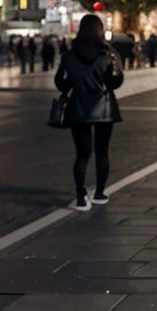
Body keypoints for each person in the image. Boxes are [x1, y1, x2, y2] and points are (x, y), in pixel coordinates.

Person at [53, 14, 124, 211]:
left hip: (79, 108)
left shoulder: (69, 56)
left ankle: (81, 196)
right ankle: (100, 192)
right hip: (104, 107)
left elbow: (61, 83)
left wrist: (75, 82)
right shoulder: (106, 55)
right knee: (102, 153)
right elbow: (114, 83)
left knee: (82, 154)